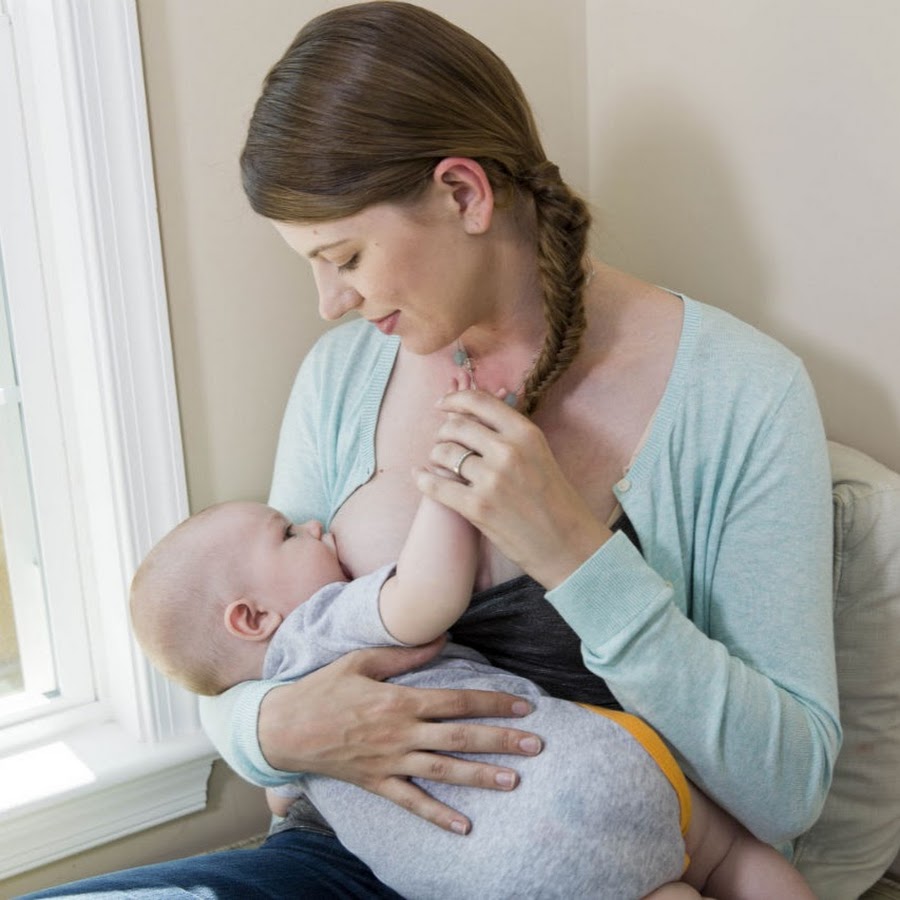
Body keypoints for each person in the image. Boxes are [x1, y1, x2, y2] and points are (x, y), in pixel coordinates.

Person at [22, 1, 839, 897]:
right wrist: (276, 731)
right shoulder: (342, 377)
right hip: (349, 859)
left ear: (463, 194)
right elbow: (243, 660)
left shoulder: (740, 396)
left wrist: (574, 553)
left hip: (584, 866)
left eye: (345, 257)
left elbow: (787, 789)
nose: (329, 303)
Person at [127, 417, 816, 898]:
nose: (311, 524)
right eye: (286, 534)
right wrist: (447, 482)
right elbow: (426, 595)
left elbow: (278, 794)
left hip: (499, 880)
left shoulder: (293, 752)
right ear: (252, 619)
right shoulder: (322, 623)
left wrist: (274, 745)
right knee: (726, 857)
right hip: (586, 777)